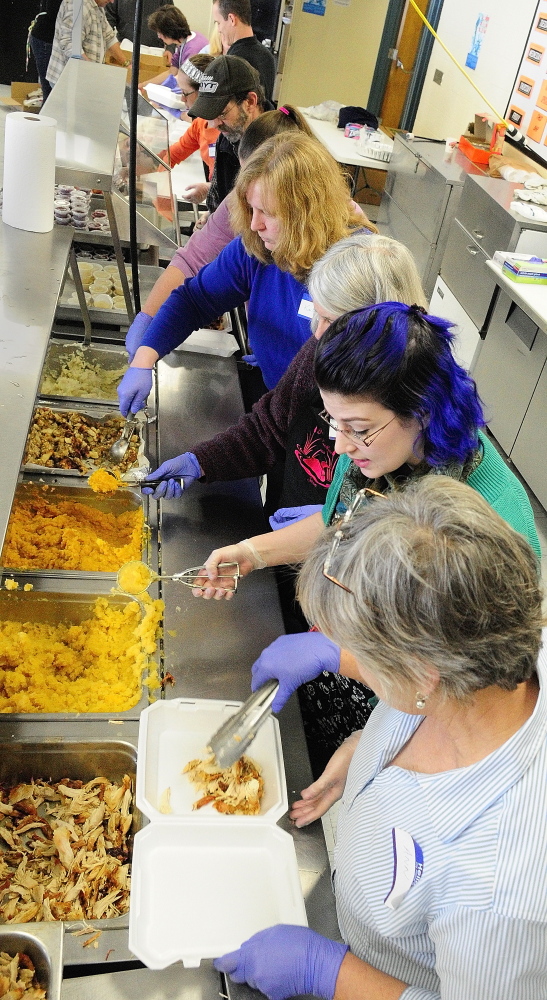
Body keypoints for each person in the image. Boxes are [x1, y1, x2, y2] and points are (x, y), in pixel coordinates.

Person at [214, 475, 547, 1000]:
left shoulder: (501, 893)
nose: (349, 663)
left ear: (420, 675)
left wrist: (329, 973)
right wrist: (371, 751)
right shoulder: (486, 647)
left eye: (357, 653)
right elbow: (428, 689)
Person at [193, 302, 540, 770]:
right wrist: (252, 553)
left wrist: (339, 666)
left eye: (357, 429)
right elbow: (340, 523)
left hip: (413, 712)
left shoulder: (489, 529)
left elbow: (463, 684)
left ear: (422, 412)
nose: (339, 444)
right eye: (335, 423)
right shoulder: (376, 453)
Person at [142, 233, 422, 514]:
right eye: (319, 316)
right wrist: (201, 461)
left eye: (333, 321)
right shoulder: (322, 347)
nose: (319, 334)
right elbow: (270, 428)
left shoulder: (417, 407)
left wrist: (334, 522)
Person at [117, 132, 367, 415]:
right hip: (276, 398)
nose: (255, 224)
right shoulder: (258, 245)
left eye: (268, 213)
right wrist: (145, 356)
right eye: (251, 209)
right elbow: (195, 300)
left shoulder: (356, 269)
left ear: (304, 213)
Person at [129, 104, 314, 338]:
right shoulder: (241, 215)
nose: (255, 223)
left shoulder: (342, 237)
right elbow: (193, 261)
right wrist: (147, 321)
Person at [188, 55, 269, 211]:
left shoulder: (277, 148)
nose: (214, 124)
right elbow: (217, 198)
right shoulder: (227, 137)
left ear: (250, 102)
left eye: (222, 114)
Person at [158, 55, 218, 178]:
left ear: (203, 92)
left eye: (185, 93)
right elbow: (172, 155)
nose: (182, 98)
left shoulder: (226, 132)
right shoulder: (200, 124)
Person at [46, 0, 130, 88]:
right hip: (68, 82)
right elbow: (70, 45)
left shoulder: (97, 6)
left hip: (83, 79)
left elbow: (109, 37)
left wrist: (126, 64)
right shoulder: (78, 6)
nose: (112, 1)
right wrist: (92, 72)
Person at [212, 0, 275, 101]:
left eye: (218, 23)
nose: (219, 30)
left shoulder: (233, 62)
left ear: (231, 19)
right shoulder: (267, 56)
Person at [144, 4, 208, 86]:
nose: (158, 36)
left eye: (159, 32)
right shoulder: (183, 42)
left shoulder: (192, 50)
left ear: (169, 31)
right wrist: (144, 84)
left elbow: (186, 84)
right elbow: (172, 72)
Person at [29, 0, 63, 102]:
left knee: (51, 91)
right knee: (49, 92)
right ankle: (45, 116)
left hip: (50, 39)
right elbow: (53, 11)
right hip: (45, 39)